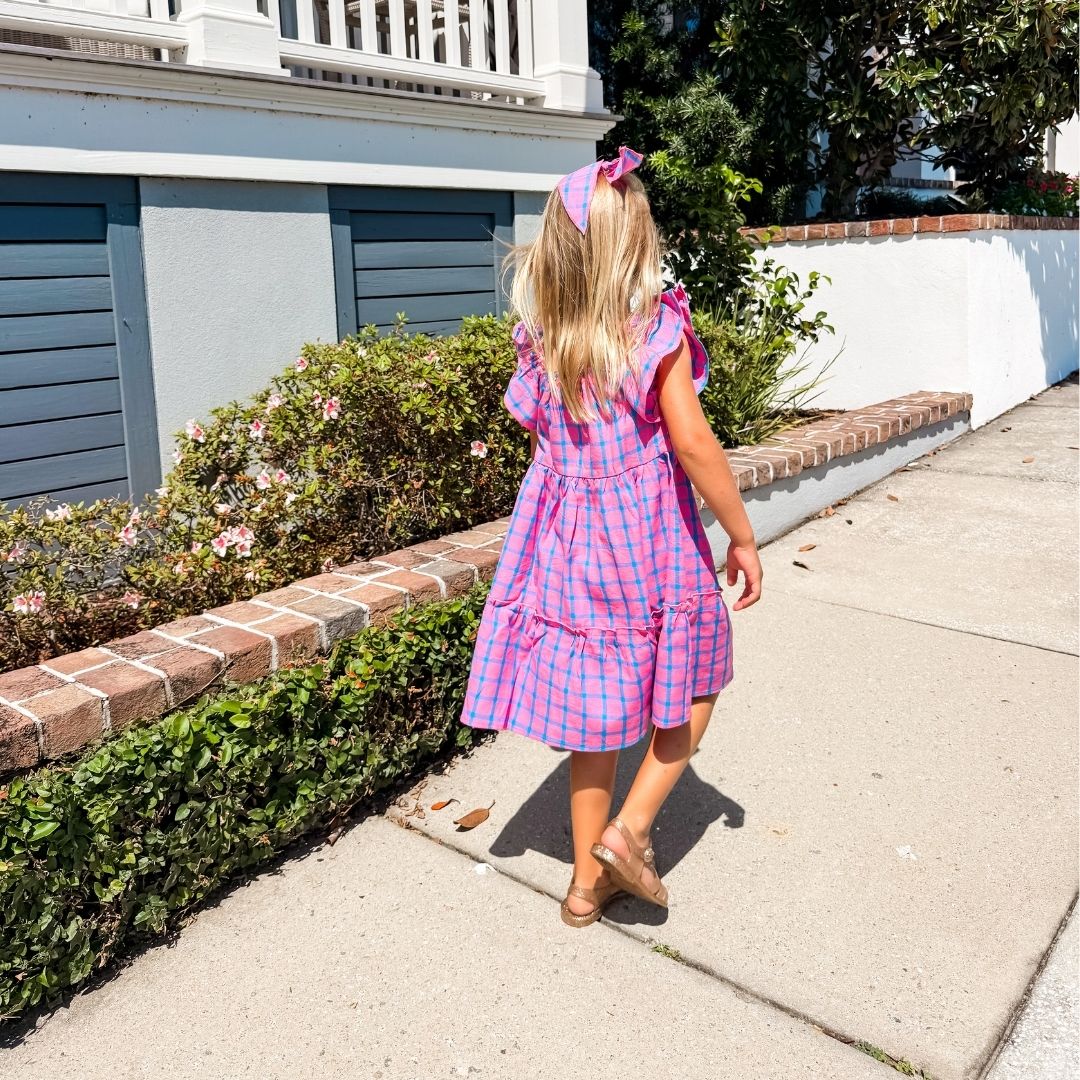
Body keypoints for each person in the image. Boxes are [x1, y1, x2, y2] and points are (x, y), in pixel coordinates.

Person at [459, 147, 763, 926]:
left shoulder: (545, 343)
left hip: (569, 544)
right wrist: (741, 534)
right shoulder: (654, 333)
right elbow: (693, 445)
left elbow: (541, 455)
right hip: (649, 540)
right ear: (634, 247)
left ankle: (581, 891)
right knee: (697, 681)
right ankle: (629, 833)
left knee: (595, 719)